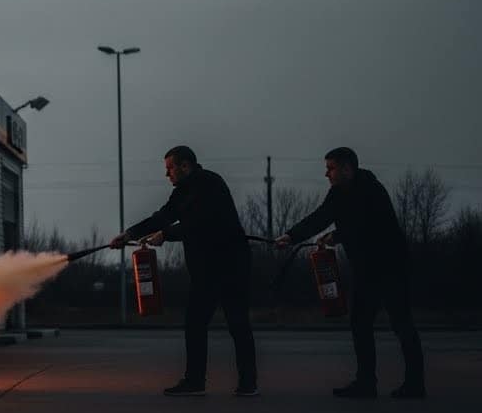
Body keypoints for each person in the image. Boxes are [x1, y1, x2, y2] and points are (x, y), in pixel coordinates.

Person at [275, 147, 425, 399]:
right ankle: (366, 383)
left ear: (347, 168)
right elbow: (320, 217)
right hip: (367, 271)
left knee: (401, 323)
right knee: (360, 323)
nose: (327, 174)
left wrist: (338, 235)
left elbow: (370, 224)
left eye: (331, 168)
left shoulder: (372, 190)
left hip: (391, 267)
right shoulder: (337, 194)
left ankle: (415, 384)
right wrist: (291, 236)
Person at [110, 145, 257, 397]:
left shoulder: (210, 183)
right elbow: (164, 215)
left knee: (238, 323)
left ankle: (248, 383)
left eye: (170, 168)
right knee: (195, 323)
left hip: (230, 266)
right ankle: (195, 381)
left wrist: (166, 235)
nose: (167, 175)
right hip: (205, 272)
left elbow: (201, 222)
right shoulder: (182, 191)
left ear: (185, 166)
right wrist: (129, 234)